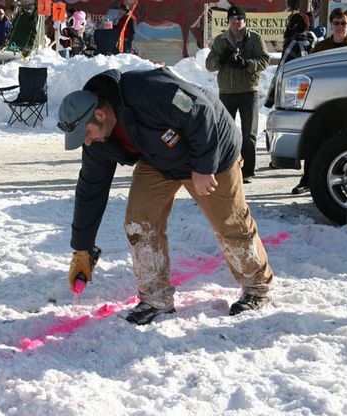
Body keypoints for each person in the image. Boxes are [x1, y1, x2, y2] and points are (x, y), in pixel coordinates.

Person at [58, 67, 275, 325]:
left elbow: (201, 110)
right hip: (159, 159)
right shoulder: (98, 142)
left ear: (99, 114)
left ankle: (257, 288)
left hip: (210, 149)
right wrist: (82, 249)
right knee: (139, 221)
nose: (88, 142)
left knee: (229, 221)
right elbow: (90, 189)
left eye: (86, 134)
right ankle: (156, 299)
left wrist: (204, 167)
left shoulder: (147, 90)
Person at [291, 8, 347, 195]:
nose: (339, 27)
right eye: (336, 23)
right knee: (317, 142)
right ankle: (308, 180)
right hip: (323, 105)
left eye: (343, 23)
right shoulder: (321, 48)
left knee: (345, 144)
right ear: (331, 25)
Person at [205, 5, 269, 184]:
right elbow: (209, 65)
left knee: (249, 133)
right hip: (227, 92)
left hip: (249, 91)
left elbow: (264, 60)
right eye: (233, 19)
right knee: (224, 132)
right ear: (228, 21)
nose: (236, 22)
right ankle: (225, 169)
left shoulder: (254, 39)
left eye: (239, 19)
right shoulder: (220, 41)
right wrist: (221, 59)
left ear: (244, 20)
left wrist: (246, 64)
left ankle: (247, 172)